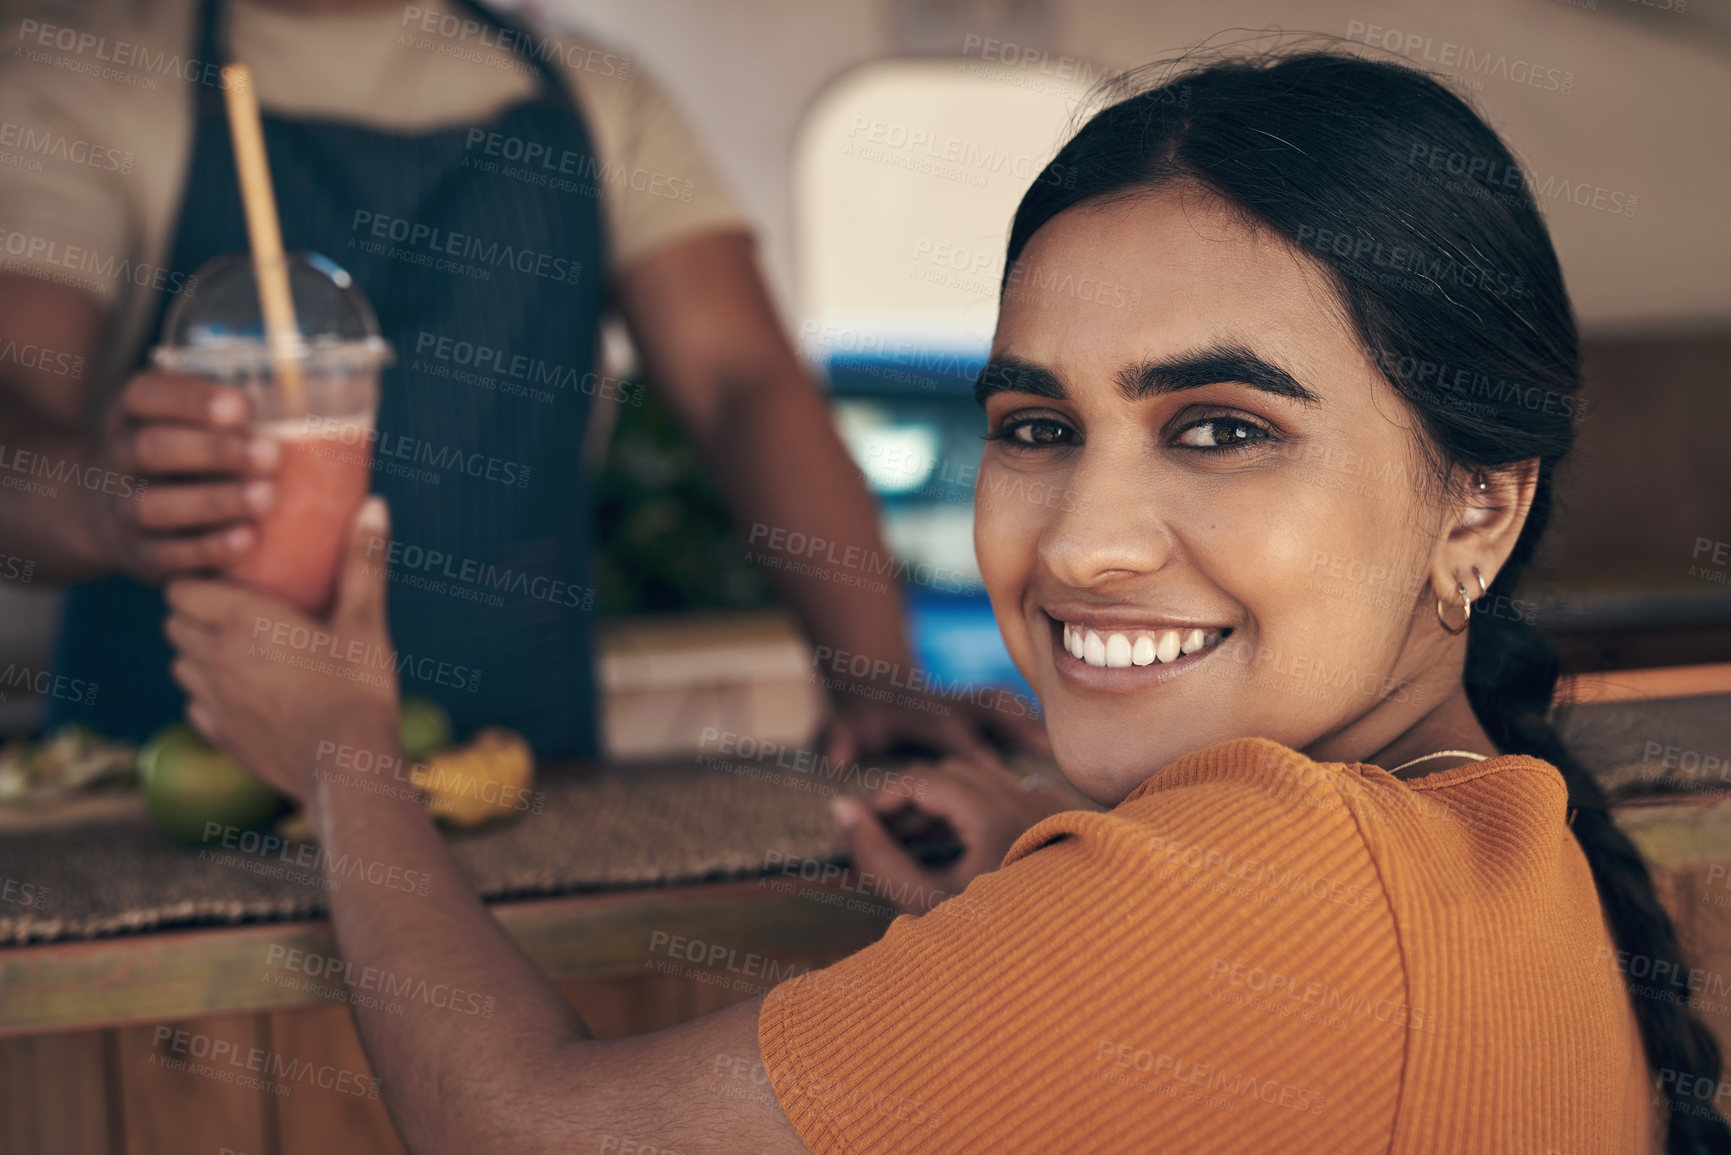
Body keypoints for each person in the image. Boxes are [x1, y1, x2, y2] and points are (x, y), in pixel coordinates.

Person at [163, 50, 1727, 1153]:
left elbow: (520, 1127)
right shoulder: (1498, 833)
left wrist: (341, 755)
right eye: (1037, 427)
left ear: (1480, 502)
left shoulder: (1250, 884)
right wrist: (1038, 891)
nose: (1084, 545)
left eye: (1223, 428)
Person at [0, 0, 1040, 764]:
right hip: (164, 792)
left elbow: (742, 384)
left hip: (521, 778)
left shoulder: (598, 95)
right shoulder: (88, 77)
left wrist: (875, 679)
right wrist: (98, 494)